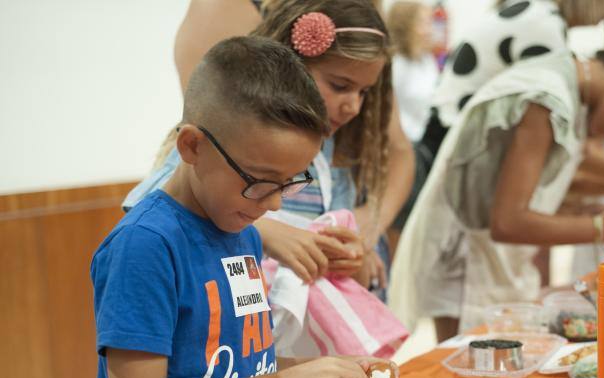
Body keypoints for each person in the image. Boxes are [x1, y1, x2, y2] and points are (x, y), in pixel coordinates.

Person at [88, 37, 398, 378]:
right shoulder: (146, 246)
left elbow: (234, 370)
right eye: (258, 182)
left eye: (290, 183)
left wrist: (323, 370)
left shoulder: (243, 232)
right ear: (192, 146)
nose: (274, 203)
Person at [389, 14, 604, 340]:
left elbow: (526, 185)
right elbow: (508, 221)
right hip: (468, 265)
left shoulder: (569, 83)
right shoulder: (547, 97)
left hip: (486, 260)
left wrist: (580, 212)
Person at [129, 0, 412, 296]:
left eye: (364, 92)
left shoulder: (333, 157)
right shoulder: (231, 139)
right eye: (340, 86)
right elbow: (149, 207)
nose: (353, 106)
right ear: (295, 66)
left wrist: (350, 255)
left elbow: (340, 253)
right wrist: (267, 232)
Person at [387, 1, 439, 143]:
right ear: (404, 26)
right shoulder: (395, 63)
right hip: (400, 141)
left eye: (430, 22)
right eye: (423, 23)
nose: (430, 30)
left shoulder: (427, 59)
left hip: (423, 137)